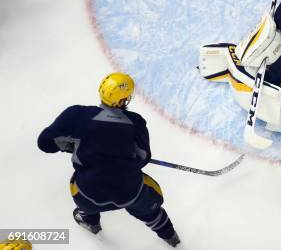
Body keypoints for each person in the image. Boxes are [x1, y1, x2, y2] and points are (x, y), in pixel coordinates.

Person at [37, 73, 180, 247]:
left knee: (83, 194)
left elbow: (45, 143)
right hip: (130, 193)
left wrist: (69, 145)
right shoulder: (135, 122)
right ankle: (171, 238)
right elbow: (144, 157)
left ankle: (90, 221)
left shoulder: (75, 115)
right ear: (122, 100)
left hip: (89, 193)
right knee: (151, 210)